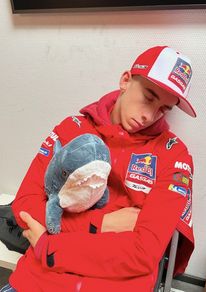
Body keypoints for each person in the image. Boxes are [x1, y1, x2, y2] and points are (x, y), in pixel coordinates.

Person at [1, 45, 196, 292]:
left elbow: (143, 253)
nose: (149, 115)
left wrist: (49, 245)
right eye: (148, 97)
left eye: (163, 109)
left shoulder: (174, 154)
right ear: (126, 80)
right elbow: (25, 207)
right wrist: (102, 224)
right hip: (38, 282)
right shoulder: (71, 129)